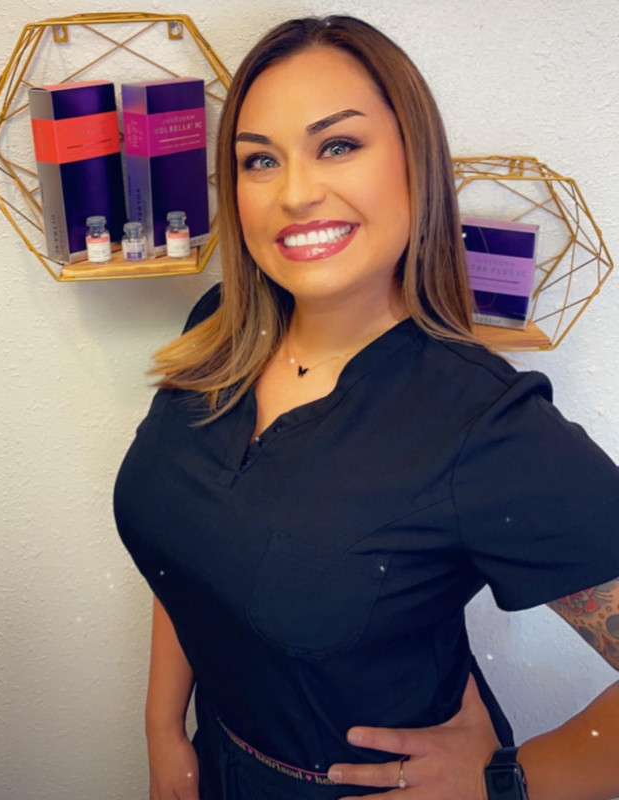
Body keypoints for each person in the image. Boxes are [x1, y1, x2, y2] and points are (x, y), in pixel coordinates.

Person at [113, 15, 619, 800]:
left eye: (338, 145)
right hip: (216, 762)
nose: (295, 193)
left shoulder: (486, 426)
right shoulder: (216, 333)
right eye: (259, 160)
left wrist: (512, 783)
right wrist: (162, 730)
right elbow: (187, 552)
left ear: (416, 162)